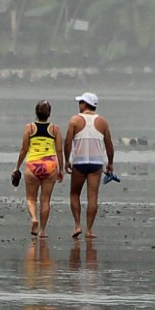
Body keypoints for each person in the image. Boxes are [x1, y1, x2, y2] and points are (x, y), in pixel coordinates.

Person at [64, 91, 115, 239]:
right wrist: (110, 162)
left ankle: (77, 225)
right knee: (93, 197)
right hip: (96, 163)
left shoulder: (74, 120)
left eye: (80, 102)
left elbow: (68, 142)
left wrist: (67, 160)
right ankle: (89, 230)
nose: (78, 105)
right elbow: (109, 144)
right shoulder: (102, 122)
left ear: (85, 104)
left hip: (79, 162)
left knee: (74, 193)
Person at [13, 99, 65, 237]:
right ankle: (42, 231)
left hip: (33, 165)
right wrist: (61, 169)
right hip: (50, 166)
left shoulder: (29, 128)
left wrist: (17, 167)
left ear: (36, 112)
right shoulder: (55, 129)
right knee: (45, 200)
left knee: (31, 198)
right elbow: (59, 150)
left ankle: (34, 219)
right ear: (49, 114)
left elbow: (24, 149)